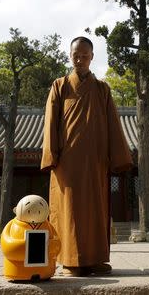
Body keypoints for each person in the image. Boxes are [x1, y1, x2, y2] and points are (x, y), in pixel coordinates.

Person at [41, 36, 132, 277]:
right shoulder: (59, 85)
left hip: (95, 161)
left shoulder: (102, 89)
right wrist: (52, 155)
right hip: (67, 162)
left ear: (92, 57)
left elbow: (113, 123)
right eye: (75, 55)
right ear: (70, 56)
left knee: (95, 209)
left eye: (84, 56)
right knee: (69, 210)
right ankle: (71, 261)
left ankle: (95, 260)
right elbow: (50, 122)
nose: (80, 60)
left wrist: (117, 157)